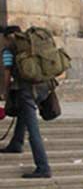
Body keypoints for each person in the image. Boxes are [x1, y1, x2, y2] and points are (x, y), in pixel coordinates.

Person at [0, 26, 52, 178]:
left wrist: (5, 92)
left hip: (27, 90)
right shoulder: (32, 45)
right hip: (43, 88)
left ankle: (43, 167)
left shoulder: (9, 49)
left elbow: (7, 72)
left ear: (7, 37)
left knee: (33, 131)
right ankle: (16, 143)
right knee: (24, 112)